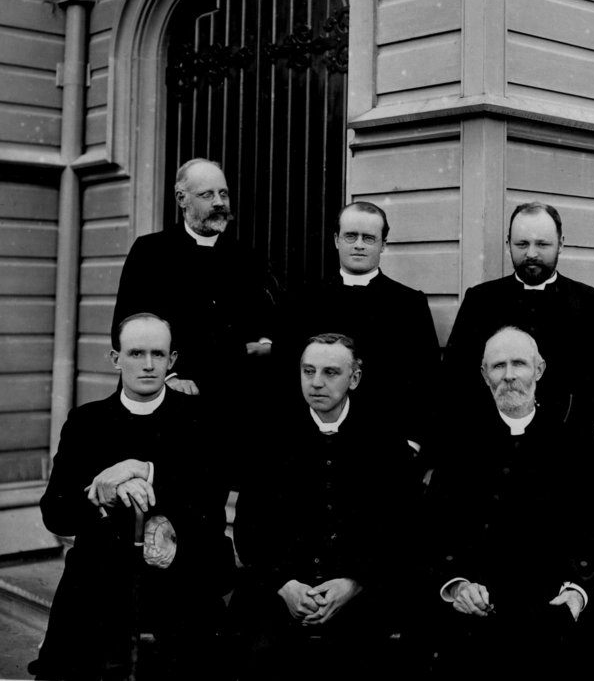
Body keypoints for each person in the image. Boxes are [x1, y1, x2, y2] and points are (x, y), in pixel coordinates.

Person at [30, 313, 235, 680]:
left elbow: (208, 497)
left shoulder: (201, 418)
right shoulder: (87, 422)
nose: (148, 364)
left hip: (182, 577)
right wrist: (103, 494)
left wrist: (141, 471)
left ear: (172, 360)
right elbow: (55, 513)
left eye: (159, 354)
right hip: (101, 580)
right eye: (136, 353)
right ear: (116, 359)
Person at [426, 327, 594, 680]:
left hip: (555, 616)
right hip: (476, 618)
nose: (509, 375)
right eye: (498, 366)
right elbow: (435, 527)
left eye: (519, 364)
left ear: (539, 370)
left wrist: (576, 593)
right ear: (484, 375)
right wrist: (457, 585)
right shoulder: (460, 445)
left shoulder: (574, 442)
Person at [233, 333, 411, 680]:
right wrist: (285, 585)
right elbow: (249, 528)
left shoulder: (385, 442)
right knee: (256, 654)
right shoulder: (271, 436)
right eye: (308, 371)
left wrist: (354, 582)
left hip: (361, 593)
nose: (316, 383)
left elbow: (400, 528)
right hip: (280, 590)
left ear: (354, 378)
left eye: (330, 372)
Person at [273, 201, 440, 462]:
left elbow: (426, 379)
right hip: (311, 444)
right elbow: (282, 372)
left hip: (385, 447)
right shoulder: (302, 301)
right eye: (351, 236)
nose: (359, 245)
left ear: (383, 245)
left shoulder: (409, 304)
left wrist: (413, 443)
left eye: (369, 238)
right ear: (336, 240)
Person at [111, 158, 276, 402]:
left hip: (232, 395)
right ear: (182, 199)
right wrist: (168, 377)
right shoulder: (151, 251)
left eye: (223, 193)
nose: (219, 202)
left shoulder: (247, 257)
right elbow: (127, 327)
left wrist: (264, 343)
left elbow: (267, 322)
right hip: (168, 393)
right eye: (207, 195)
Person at [443, 202, 594, 424]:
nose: (531, 254)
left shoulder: (588, 302)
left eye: (542, 244)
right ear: (508, 244)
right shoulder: (480, 300)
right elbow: (456, 377)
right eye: (522, 244)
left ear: (560, 244)